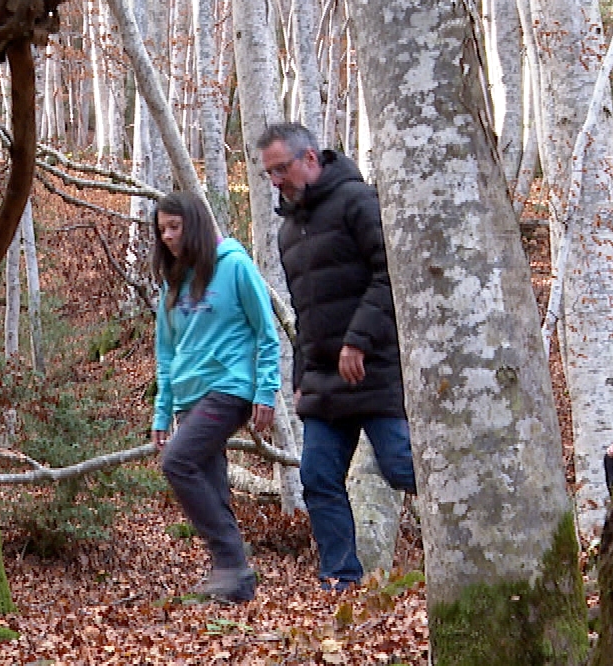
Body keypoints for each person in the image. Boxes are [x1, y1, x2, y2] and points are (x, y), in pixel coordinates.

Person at [259, 123, 417, 593]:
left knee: (402, 467)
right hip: (326, 381)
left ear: (310, 158)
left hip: (376, 369)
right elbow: (306, 312)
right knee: (319, 479)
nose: (275, 181)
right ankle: (339, 581)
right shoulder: (289, 230)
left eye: (281, 169)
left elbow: (390, 275)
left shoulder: (359, 202)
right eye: (268, 173)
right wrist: (303, 375)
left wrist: (359, 341)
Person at [150, 191, 283, 605]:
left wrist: (265, 389)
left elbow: (266, 332)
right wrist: (162, 411)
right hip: (190, 393)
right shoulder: (173, 284)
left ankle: (231, 565)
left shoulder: (235, 266)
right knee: (210, 482)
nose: (169, 237)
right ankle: (236, 582)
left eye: (175, 227)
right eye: (162, 231)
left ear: (195, 225)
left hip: (230, 386)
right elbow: (166, 354)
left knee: (177, 461)